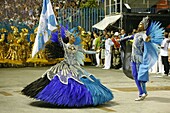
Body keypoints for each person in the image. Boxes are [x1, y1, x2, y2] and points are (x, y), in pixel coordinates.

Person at [21, 26, 113, 107]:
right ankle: (62, 99)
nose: (73, 38)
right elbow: (60, 40)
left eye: (73, 36)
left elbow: (85, 51)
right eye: (72, 36)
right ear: (68, 38)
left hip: (75, 67)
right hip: (65, 66)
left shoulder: (76, 47)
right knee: (64, 81)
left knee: (84, 79)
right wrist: (59, 31)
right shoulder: (65, 46)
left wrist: (95, 52)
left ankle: (79, 99)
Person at [119, 16, 164, 101]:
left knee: (139, 76)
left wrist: (149, 39)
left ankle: (142, 93)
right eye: (139, 23)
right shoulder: (136, 34)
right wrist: (120, 39)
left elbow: (146, 39)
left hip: (139, 58)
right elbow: (129, 37)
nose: (139, 25)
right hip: (133, 58)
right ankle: (143, 92)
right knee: (136, 76)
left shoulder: (143, 35)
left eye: (141, 24)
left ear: (145, 26)